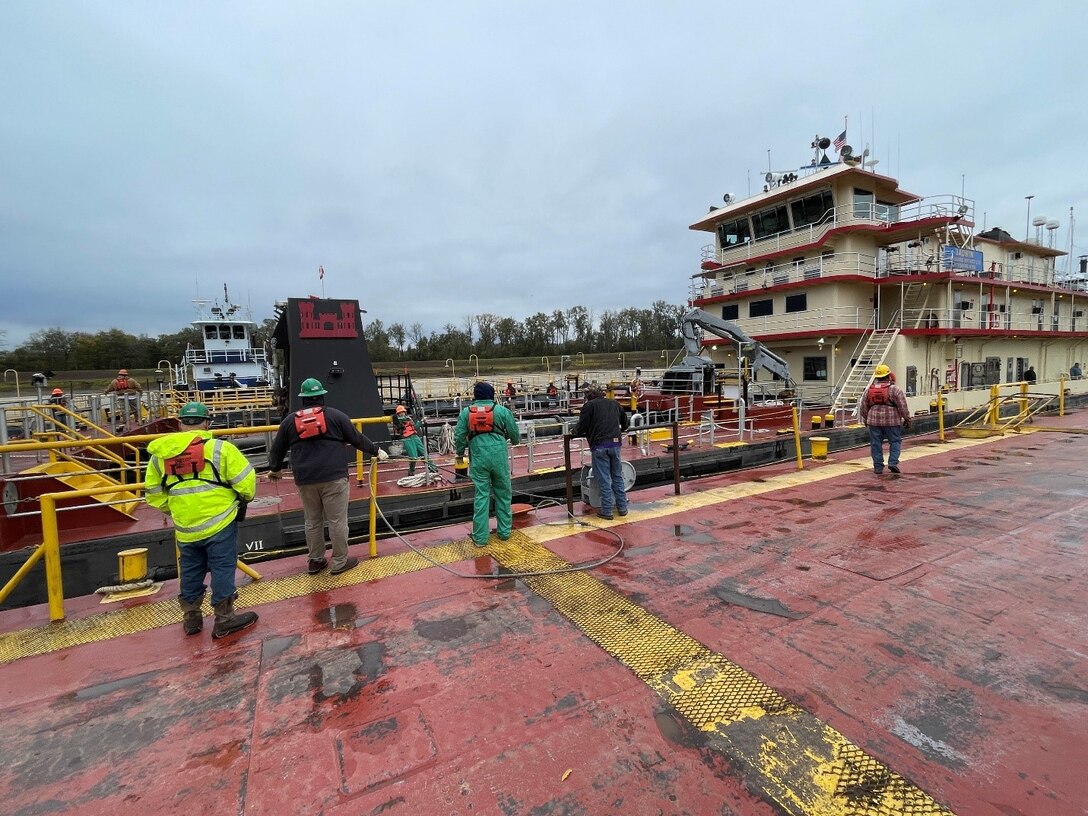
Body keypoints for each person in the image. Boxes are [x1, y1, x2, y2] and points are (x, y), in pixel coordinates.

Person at [145, 401, 258, 638]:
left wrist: (177, 509)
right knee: (222, 566)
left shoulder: (160, 456)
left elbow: (154, 495)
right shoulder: (220, 449)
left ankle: (192, 619)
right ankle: (224, 619)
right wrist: (238, 499)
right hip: (219, 520)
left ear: (179, 423)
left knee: (189, 568)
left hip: (185, 525)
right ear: (207, 423)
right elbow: (246, 483)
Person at [267, 378, 388, 576]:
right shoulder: (336, 416)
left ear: (303, 399)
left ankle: (315, 561)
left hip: (305, 480)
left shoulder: (289, 421)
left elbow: (278, 448)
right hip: (334, 478)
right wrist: (376, 450)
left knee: (312, 521)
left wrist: (275, 468)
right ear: (322, 396)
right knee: (337, 521)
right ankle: (340, 561)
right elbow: (356, 438)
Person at [453, 381, 521, 546]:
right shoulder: (502, 411)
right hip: (499, 458)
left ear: (475, 396)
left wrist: (461, 453)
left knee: (481, 497)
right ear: (491, 394)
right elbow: (516, 437)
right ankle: (504, 533)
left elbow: (459, 438)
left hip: (478, 458)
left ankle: (480, 538)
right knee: (503, 495)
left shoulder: (466, 413)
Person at [573, 382, 631, 519]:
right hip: (615, 444)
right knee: (617, 476)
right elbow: (625, 422)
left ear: (590, 395)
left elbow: (582, 426)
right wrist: (621, 430)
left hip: (599, 446)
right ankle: (622, 508)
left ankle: (607, 510)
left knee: (604, 478)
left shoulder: (589, 406)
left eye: (586, 394)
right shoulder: (614, 404)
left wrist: (574, 432)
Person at [858, 364, 911, 475]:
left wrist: (866, 418)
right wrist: (907, 419)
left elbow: (863, 406)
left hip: (874, 421)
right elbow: (902, 406)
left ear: (876, 377)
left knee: (875, 443)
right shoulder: (895, 389)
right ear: (889, 376)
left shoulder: (869, 390)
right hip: (892, 421)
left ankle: (878, 467)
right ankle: (892, 463)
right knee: (895, 441)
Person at [392, 404, 435, 477]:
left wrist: (421, 422)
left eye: (403, 412)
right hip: (407, 439)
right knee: (413, 457)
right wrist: (402, 419)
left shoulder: (409, 419)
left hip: (415, 437)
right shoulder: (397, 421)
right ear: (398, 414)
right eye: (400, 412)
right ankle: (411, 471)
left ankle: (432, 468)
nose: (402, 413)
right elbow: (397, 423)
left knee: (423, 452)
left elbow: (415, 427)